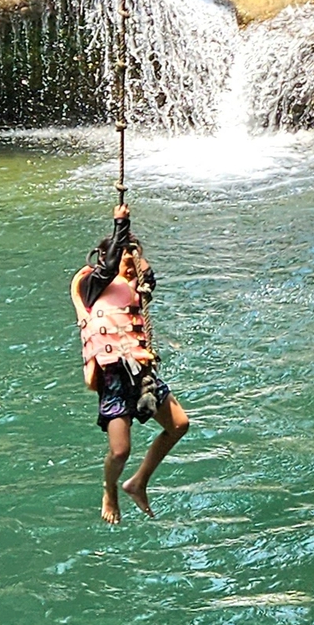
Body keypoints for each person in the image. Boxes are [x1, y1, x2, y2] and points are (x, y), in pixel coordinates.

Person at [70, 201, 190, 524]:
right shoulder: (92, 285)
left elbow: (149, 277)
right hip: (113, 376)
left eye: (131, 262)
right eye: (124, 259)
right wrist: (120, 225)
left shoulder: (134, 289)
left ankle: (138, 482)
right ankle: (110, 489)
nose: (127, 268)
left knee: (179, 425)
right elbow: (108, 268)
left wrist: (138, 256)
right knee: (120, 450)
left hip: (140, 373)